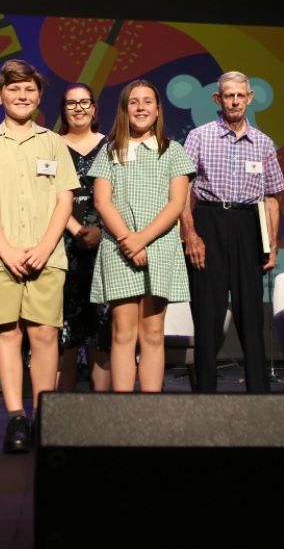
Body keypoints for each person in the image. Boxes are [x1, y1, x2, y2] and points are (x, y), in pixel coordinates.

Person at [0, 59, 78, 453]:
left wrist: (45, 247)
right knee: (7, 334)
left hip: (48, 255)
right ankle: (16, 418)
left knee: (45, 334)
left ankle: (44, 416)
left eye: (29, 89)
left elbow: (65, 199)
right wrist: (7, 250)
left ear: (39, 96)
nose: (22, 96)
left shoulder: (54, 143)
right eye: (14, 89)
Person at [181, 71, 284, 392]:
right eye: (229, 95)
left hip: (248, 226)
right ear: (218, 99)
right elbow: (183, 191)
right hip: (209, 221)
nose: (235, 101)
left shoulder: (264, 143)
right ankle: (205, 394)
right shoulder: (200, 136)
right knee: (208, 314)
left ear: (250, 98)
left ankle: (258, 394)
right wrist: (190, 234)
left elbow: (271, 199)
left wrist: (272, 244)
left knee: (251, 314)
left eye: (241, 95)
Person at [89, 79, 194, 393]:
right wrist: (127, 240)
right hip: (119, 249)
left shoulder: (173, 151)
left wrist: (143, 238)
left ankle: (150, 407)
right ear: (124, 109)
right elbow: (102, 201)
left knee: (152, 332)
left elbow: (177, 202)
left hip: (159, 249)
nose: (141, 107)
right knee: (123, 332)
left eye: (148, 101)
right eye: (134, 102)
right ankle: (124, 410)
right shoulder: (111, 151)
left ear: (158, 109)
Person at [57, 83, 111, 391]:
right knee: (63, 331)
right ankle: (60, 415)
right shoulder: (50, 145)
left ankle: (100, 417)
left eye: (84, 102)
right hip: (61, 247)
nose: (78, 108)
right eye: (71, 103)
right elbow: (47, 196)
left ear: (94, 108)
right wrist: (76, 230)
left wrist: (102, 230)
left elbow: (121, 194)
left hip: (106, 247)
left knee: (101, 331)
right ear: (63, 111)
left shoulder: (112, 145)